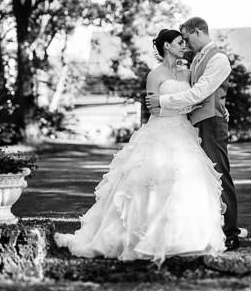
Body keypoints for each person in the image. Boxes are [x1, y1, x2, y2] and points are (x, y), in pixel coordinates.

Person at [55, 28, 226, 265]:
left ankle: (185, 238)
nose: (183, 46)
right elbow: (154, 110)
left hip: (184, 132)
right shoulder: (154, 75)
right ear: (167, 46)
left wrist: (172, 103)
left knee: (186, 182)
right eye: (179, 42)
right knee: (146, 182)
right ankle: (141, 239)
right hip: (160, 131)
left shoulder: (187, 73)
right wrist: (175, 105)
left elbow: (193, 99)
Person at [146, 16, 240, 249]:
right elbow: (206, 92)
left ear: (198, 32)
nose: (185, 44)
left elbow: (200, 93)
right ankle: (211, 227)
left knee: (219, 175)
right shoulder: (196, 60)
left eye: (186, 38)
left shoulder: (218, 58)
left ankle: (230, 232)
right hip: (195, 124)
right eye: (181, 41)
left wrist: (163, 100)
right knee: (204, 178)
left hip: (210, 123)